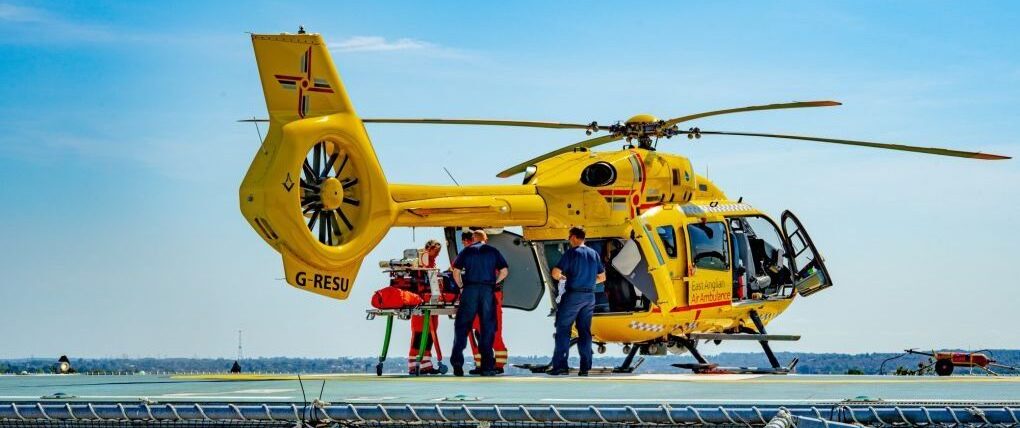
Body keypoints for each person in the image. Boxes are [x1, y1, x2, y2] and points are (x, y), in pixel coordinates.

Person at [548, 227, 606, 376]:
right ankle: (585, 368)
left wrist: (561, 278)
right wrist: (588, 281)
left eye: (569, 238)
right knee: (585, 332)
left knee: (563, 329)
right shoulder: (594, 254)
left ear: (573, 237)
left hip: (574, 295)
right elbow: (602, 277)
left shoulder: (571, 253)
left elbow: (555, 272)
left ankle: (560, 366)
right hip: (589, 297)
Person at [450, 230, 509, 376]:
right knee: (489, 330)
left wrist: (461, 287)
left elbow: (455, 271)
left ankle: (458, 366)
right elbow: (505, 271)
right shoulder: (493, 252)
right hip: (488, 291)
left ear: (472, 239)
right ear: (485, 239)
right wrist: (494, 283)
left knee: (463, 330)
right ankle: (489, 367)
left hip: (470, 291)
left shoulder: (466, 252)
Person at [407, 239, 442, 374]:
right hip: (421, 300)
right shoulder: (423, 258)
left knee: (429, 334)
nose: (438, 254)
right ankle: (414, 364)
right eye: (436, 251)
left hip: (430, 300)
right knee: (420, 333)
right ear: (430, 248)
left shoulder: (429, 260)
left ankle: (426, 365)